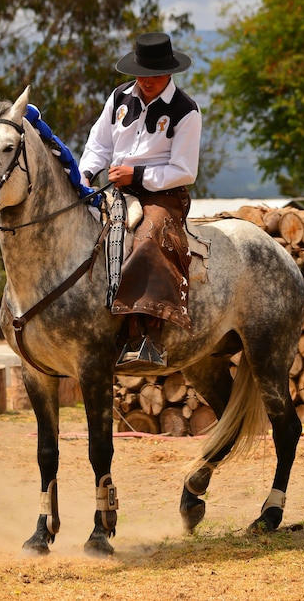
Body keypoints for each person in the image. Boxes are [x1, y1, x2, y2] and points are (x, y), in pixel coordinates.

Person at [79, 32, 202, 366]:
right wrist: (86, 174)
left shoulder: (186, 110)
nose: (148, 82)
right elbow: (99, 144)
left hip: (164, 195)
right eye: (143, 74)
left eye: (156, 75)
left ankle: (146, 334)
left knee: (148, 238)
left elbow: (185, 169)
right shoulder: (119, 96)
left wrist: (139, 175)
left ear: (170, 72)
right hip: (118, 189)